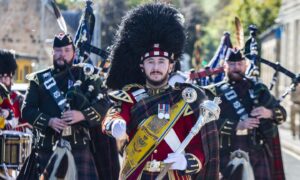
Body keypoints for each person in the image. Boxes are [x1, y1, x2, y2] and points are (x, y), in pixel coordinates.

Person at [103, 3, 219, 180]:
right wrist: (114, 125)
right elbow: (115, 114)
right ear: (142, 66)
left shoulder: (184, 99)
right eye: (151, 62)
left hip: (174, 175)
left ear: (171, 65)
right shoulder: (131, 96)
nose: (156, 67)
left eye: (161, 62)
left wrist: (187, 161)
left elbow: (198, 146)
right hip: (139, 174)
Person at [21, 33, 110, 179]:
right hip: (48, 148)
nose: (62, 54)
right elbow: (26, 111)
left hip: (79, 147)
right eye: (58, 50)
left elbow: (104, 103)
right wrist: (49, 121)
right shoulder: (39, 79)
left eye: (67, 50)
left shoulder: (85, 75)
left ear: (74, 53)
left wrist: (82, 115)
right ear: (52, 52)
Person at [205, 48, 286, 180]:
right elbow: (204, 122)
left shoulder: (258, 89)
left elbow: (282, 114)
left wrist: (269, 113)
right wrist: (236, 125)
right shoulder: (214, 92)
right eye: (231, 64)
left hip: (256, 152)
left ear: (246, 65)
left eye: (239, 64)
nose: (236, 67)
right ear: (224, 66)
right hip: (225, 153)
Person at [0, 49, 30, 130]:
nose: (2, 81)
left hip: (12, 141)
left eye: (5, 77)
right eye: (0, 77)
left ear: (11, 77)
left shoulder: (19, 100)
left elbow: (28, 127)